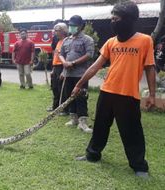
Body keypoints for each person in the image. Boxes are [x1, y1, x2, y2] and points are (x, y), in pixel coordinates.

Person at [72, 1, 155, 178]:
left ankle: (139, 166)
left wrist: (152, 95)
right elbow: (95, 66)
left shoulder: (145, 41)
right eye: (111, 18)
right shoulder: (111, 42)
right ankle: (92, 154)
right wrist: (79, 84)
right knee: (100, 127)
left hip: (128, 94)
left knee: (132, 132)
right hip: (107, 91)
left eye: (115, 18)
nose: (112, 21)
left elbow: (150, 68)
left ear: (128, 19)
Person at [59, 15, 94, 133]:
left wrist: (73, 63)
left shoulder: (87, 39)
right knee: (70, 97)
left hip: (81, 74)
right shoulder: (66, 40)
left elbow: (89, 54)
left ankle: (82, 122)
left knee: (81, 97)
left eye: (74, 25)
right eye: (70, 25)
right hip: (68, 74)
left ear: (80, 26)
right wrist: (64, 63)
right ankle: (73, 119)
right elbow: (61, 54)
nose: (71, 27)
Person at [47, 23, 68, 112]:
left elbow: (67, 57)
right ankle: (55, 107)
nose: (55, 32)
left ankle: (63, 109)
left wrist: (64, 71)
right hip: (56, 67)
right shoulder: (58, 41)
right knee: (55, 88)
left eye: (57, 30)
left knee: (61, 89)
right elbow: (56, 56)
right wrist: (53, 69)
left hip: (61, 67)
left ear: (63, 31)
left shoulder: (66, 42)